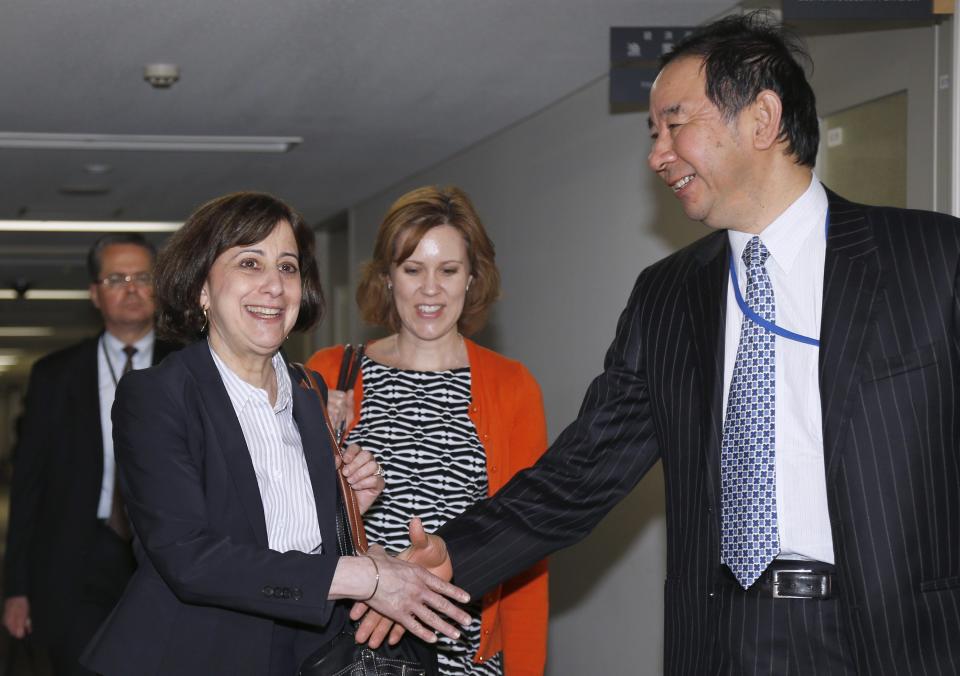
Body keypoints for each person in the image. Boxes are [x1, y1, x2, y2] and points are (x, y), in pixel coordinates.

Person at [379, 12, 960, 676]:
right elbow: (581, 472)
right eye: (653, 133)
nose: (657, 155)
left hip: (899, 640)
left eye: (675, 125)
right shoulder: (667, 296)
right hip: (721, 639)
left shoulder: (932, 260)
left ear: (762, 120)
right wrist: (455, 552)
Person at [80, 192, 470, 676]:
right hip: (191, 653)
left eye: (287, 268)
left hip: (301, 655)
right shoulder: (157, 395)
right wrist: (364, 576)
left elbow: (283, 539)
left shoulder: (309, 391)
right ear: (202, 286)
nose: (274, 287)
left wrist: (342, 509)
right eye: (250, 262)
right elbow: (190, 558)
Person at [307, 186, 549, 676]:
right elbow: (289, 523)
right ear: (387, 277)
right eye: (412, 269)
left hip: (465, 650)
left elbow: (526, 540)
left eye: (449, 270)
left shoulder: (512, 386)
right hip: (353, 645)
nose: (430, 289)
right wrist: (317, 437)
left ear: (473, 277)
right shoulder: (329, 373)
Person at [3, 233, 176, 675]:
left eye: (143, 277)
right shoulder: (55, 375)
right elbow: (29, 485)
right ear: (95, 293)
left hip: (168, 553)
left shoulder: (190, 367)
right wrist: (16, 588)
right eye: (117, 278)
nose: (132, 288)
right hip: (78, 555)